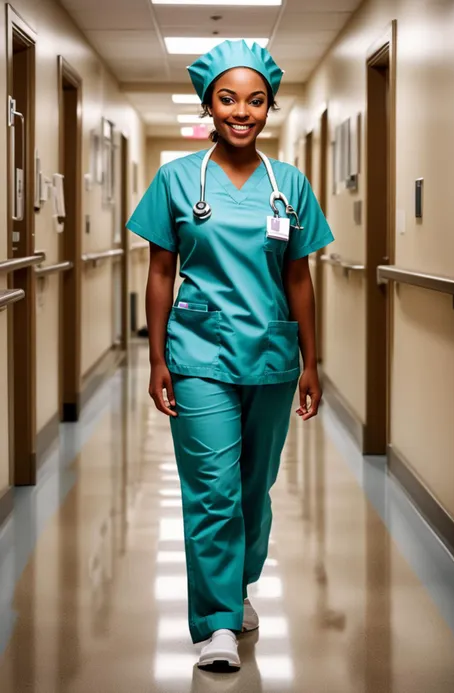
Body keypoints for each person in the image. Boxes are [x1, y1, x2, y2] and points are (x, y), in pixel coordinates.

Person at [126, 39, 334, 672]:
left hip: (271, 354)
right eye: (228, 99)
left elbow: (299, 278)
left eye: (255, 100)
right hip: (196, 355)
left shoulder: (289, 184)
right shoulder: (177, 177)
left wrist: (311, 360)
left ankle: (238, 586)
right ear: (208, 106)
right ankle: (215, 623)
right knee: (213, 488)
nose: (242, 111)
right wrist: (158, 358)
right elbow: (161, 272)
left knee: (254, 486)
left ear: (268, 107)